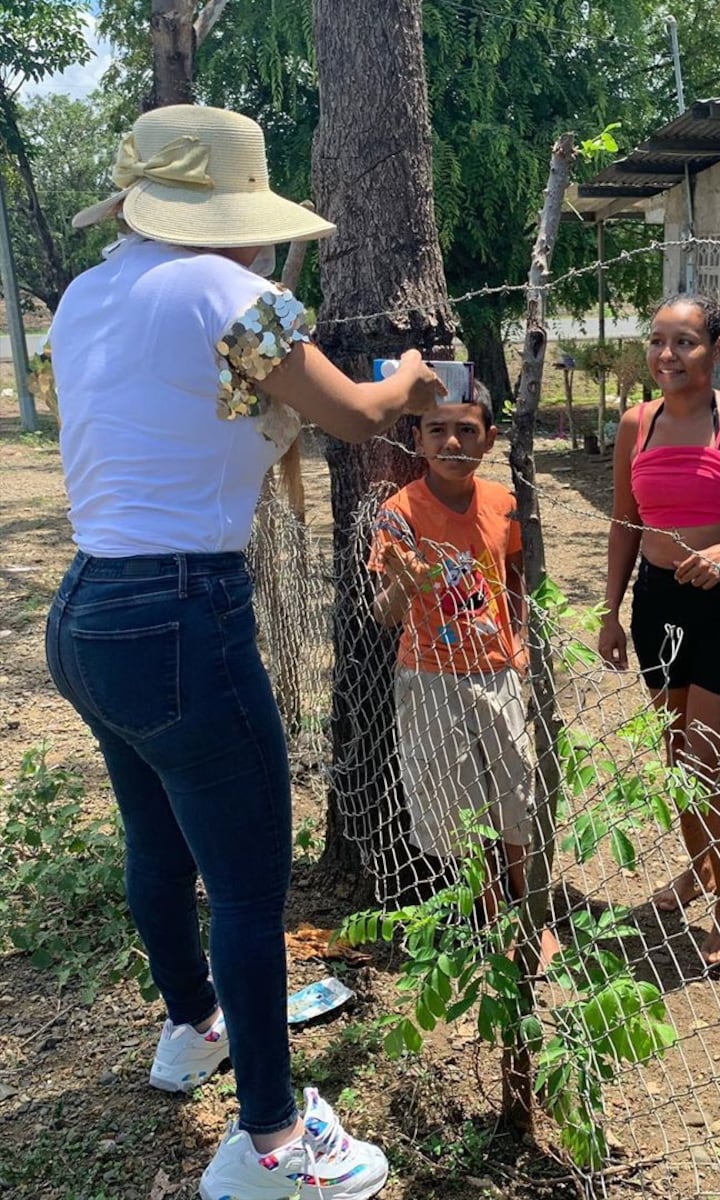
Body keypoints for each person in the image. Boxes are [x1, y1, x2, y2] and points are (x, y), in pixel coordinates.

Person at [44, 104, 445, 1200]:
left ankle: (191, 1030)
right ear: (225, 216)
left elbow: (176, 412)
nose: (270, 242)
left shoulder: (88, 294)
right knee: (250, 889)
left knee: (155, 844)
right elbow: (354, 418)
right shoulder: (227, 293)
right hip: (182, 616)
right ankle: (273, 1143)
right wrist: (410, 380)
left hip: (87, 612)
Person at [599, 294, 720, 967]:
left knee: (706, 763)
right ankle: (696, 869)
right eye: (657, 341)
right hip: (658, 605)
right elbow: (625, 524)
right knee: (675, 764)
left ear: (717, 348)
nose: (666, 355)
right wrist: (609, 611)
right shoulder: (636, 424)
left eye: (684, 342)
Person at [368, 389, 559, 967]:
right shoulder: (399, 512)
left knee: (516, 794)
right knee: (460, 807)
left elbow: (517, 576)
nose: (452, 442)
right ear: (418, 441)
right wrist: (409, 582)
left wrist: (519, 637)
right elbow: (384, 613)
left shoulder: (504, 503)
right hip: (429, 679)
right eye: (437, 430)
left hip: (499, 672)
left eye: (467, 430)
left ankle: (533, 913)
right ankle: (492, 913)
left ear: (490, 438)